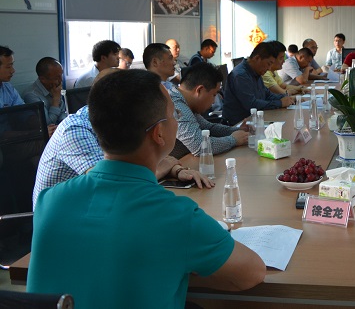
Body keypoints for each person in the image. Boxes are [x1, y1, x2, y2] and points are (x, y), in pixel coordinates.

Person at [28, 70, 265, 307]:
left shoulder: (49, 201)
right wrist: (180, 266)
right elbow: (252, 273)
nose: (178, 119)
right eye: (174, 114)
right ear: (159, 133)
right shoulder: (176, 216)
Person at [32, 68, 212, 208]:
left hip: (98, 208)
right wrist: (163, 167)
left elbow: (139, 162)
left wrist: (176, 170)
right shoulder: (74, 130)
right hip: (70, 220)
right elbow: (111, 184)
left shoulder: (119, 122)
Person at [169, 63, 248, 159]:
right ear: (200, 90)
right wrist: (233, 140)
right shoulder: (175, 105)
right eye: (214, 95)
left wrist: (237, 131)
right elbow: (200, 146)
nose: (214, 101)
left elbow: (208, 128)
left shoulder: (184, 101)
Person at [222, 42, 294, 126]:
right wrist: (280, 103)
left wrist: (287, 98)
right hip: (238, 125)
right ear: (257, 58)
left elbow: (267, 94)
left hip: (256, 120)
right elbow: (252, 104)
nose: (269, 68)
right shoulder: (240, 75)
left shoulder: (256, 71)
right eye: (268, 64)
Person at [23, 57, 68, 133]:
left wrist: (63, 124)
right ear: (43, 79)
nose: (61, 80)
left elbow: (63, 113)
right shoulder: (31, 95)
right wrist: (56, 100)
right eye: (56, 77)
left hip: (59, 130)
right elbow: (47, 124)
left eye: (61, 75)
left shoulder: (54, 86)